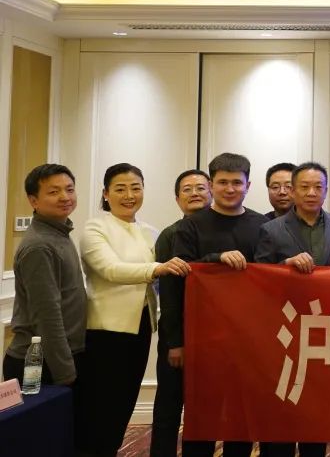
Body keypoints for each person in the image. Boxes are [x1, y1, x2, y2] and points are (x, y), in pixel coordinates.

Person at [78, 163, 190, 457]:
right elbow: (110, 269)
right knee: (101, 405)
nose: (129, 195)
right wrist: (158, 268)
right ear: (106, 194)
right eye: (120, 189)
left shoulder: (149, 231)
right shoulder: (95, 228)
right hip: (104, 330)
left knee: (124, 403)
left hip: (140, 326)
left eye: (135, 188)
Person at [172, 153, 269, 457]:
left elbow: (271, 276)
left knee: (242, 416)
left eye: (237, 183)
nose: (230, 189)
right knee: (202, 413)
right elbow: (178, 280)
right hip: (203, 337)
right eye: (223, 182)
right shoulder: (190, 226)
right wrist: (175, 342)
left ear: (248, 185)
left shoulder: (263, 225)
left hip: (248, 337)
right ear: (211, 185)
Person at [255, 162, 330, 457]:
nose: (311, 193)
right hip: (285, 331)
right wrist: (285, 266)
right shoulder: (271, 229)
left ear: (326, 190)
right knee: (282, 408)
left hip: (326, 332)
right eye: (305, 187)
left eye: (318, 187)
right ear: (293, 191)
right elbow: (258, 277)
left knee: (316, 411)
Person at [3, 164, 87, 412]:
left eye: (69, 189)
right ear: (33, 201)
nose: (65, 197)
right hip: (40, 363)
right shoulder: (39, 246)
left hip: (55, 357)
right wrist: (65, 371)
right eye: (53, 192)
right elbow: (47, 314)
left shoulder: (58, 233)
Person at [152, 169, 212, 457]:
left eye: (200, 188)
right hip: (176, 333)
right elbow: (169, 293)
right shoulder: (169, 235)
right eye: (187, 189)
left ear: (211, 193)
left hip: (213, 336)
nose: (195, 193)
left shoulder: (219, 231)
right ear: (177, 199)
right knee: (169, 405)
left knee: (204, 410)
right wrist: (175, 342)